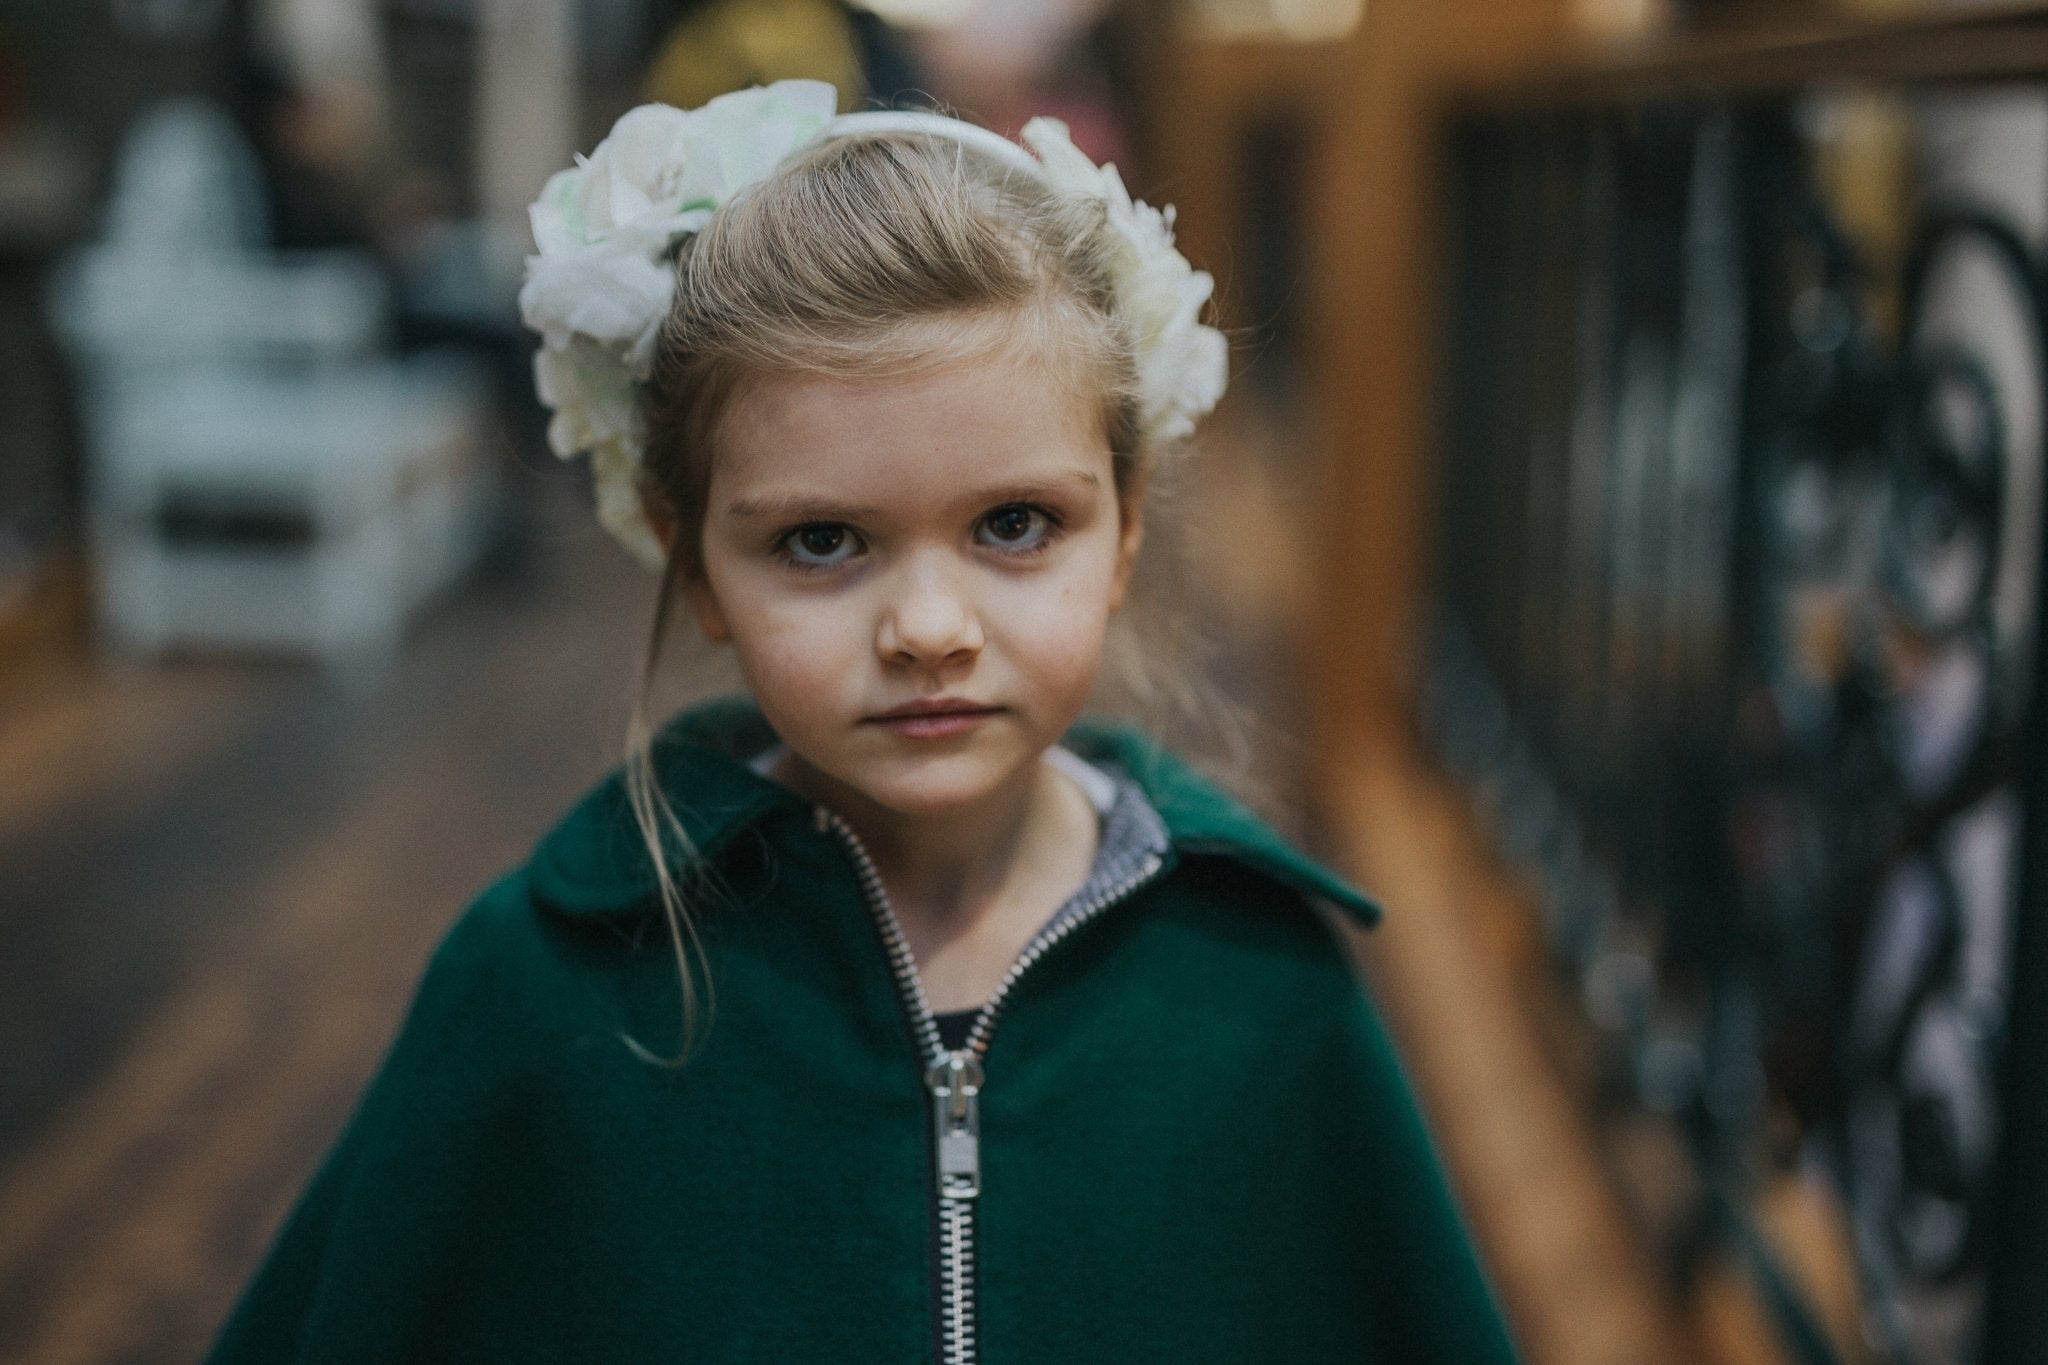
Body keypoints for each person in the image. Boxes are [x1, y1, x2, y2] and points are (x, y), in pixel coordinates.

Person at [206, 81, 1519, 1363]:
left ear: (1123, 527)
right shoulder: (545, 991)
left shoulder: (1258, 988)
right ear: (695, 563)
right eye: (822, 540)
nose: (930, 627)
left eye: (1015, 524)